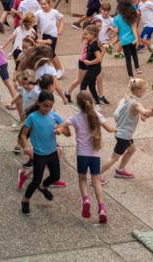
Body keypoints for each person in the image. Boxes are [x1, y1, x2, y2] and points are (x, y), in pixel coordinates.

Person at [55, 91, 116, 222]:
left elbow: (60, 127)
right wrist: (118, 129)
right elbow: (110, 129)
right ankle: (101, 209)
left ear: (78, 104)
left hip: (81, 154)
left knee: (82, 179)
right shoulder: (97, 115)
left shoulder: (75, 118)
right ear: (92, 102)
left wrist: (63, 131)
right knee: (96, 181)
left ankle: (86, 199)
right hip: (95, 155)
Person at [100, 78, 146, 181]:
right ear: (139, 92)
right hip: (124, 136)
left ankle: (120, 171)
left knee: (132, 149)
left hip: (121, 132)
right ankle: (96, 176)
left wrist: (141, 114)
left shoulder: (128, 97)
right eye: (145, 90)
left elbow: (132, 111)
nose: (145, 92)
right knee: (113, 158)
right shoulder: (136, 103)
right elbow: (145, 111)